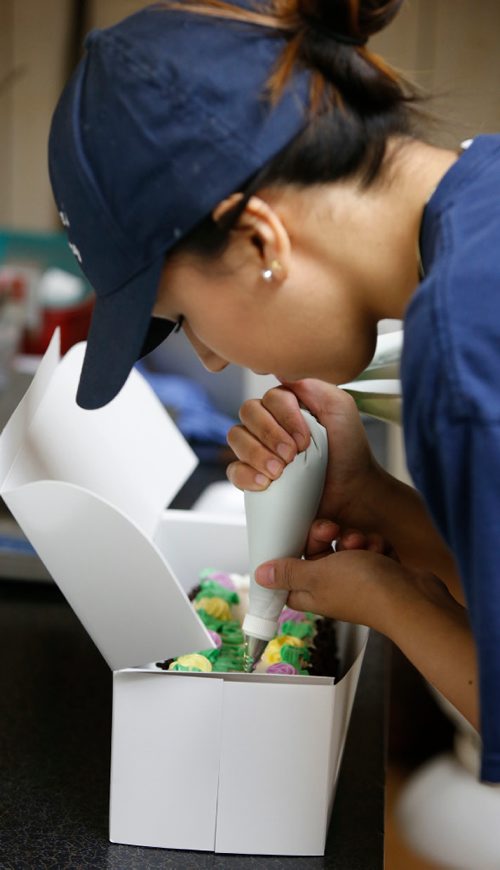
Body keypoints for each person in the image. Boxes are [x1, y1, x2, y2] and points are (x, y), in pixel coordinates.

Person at [48, 0, 500, 783]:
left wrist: (393, 604)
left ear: (261, 239)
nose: (214, 363)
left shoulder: (464, 346)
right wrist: (378, 503)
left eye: (186, 317)